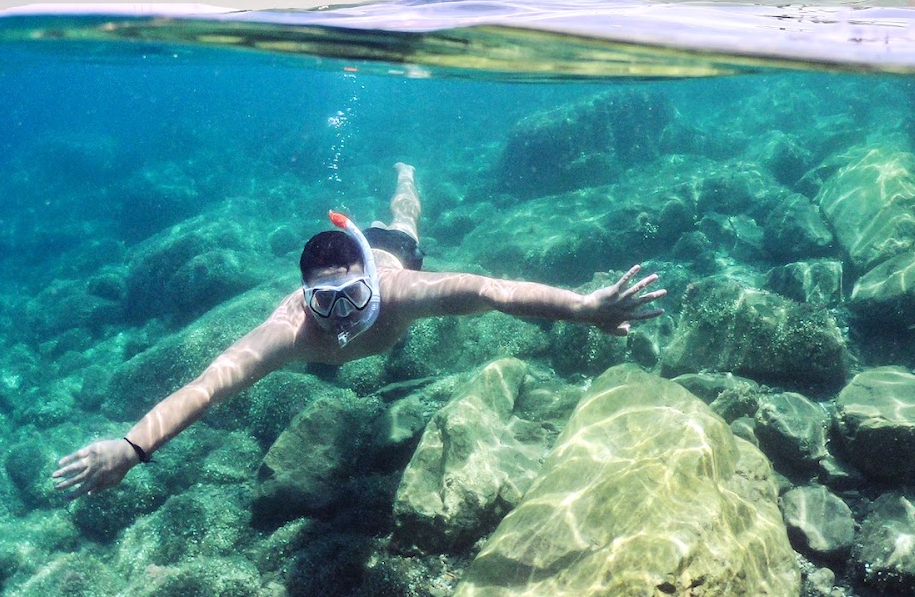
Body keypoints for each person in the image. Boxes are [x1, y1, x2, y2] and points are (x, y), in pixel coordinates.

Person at [52, 163, 665, 498]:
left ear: (370, 283)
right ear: (304, 296)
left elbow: (492, 291)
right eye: (326, 300)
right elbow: (209, 386)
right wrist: (132, 448)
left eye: (352, 296)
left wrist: (584, 307)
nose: (342, 315)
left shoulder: (398, 292)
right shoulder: (291, 329)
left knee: (405, 220)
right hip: (360, 258)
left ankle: (404, 179)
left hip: (390, 249)